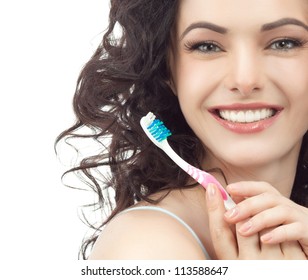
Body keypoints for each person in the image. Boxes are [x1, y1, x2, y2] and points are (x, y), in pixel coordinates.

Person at [56, 0, 308, 260]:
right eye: (207, 46)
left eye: (284, 43)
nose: (245, 80)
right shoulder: (146, 249)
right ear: (167, 68)